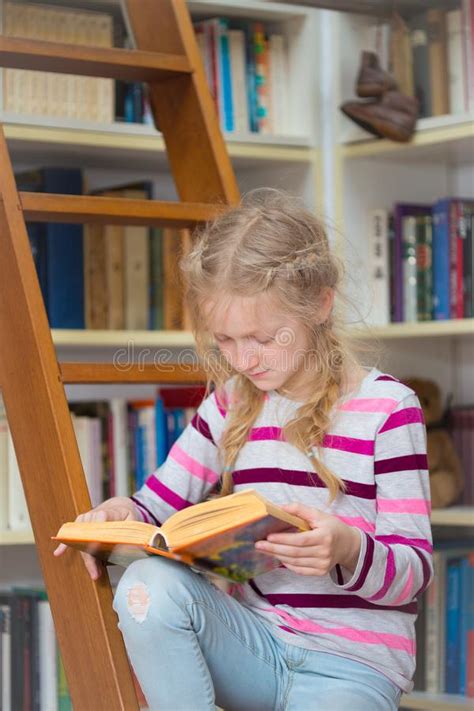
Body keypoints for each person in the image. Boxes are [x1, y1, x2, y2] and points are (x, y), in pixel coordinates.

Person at [54, 190, 432, 711]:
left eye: (260, 337)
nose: (242, 359)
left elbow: (414, 570)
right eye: (225, 341)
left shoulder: (388, 409)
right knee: (147, 585)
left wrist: (347, 548)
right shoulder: (230, 403)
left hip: (351, 668)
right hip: (252, 648)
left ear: (320, 302)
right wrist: (119, 515)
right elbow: (155, 509)